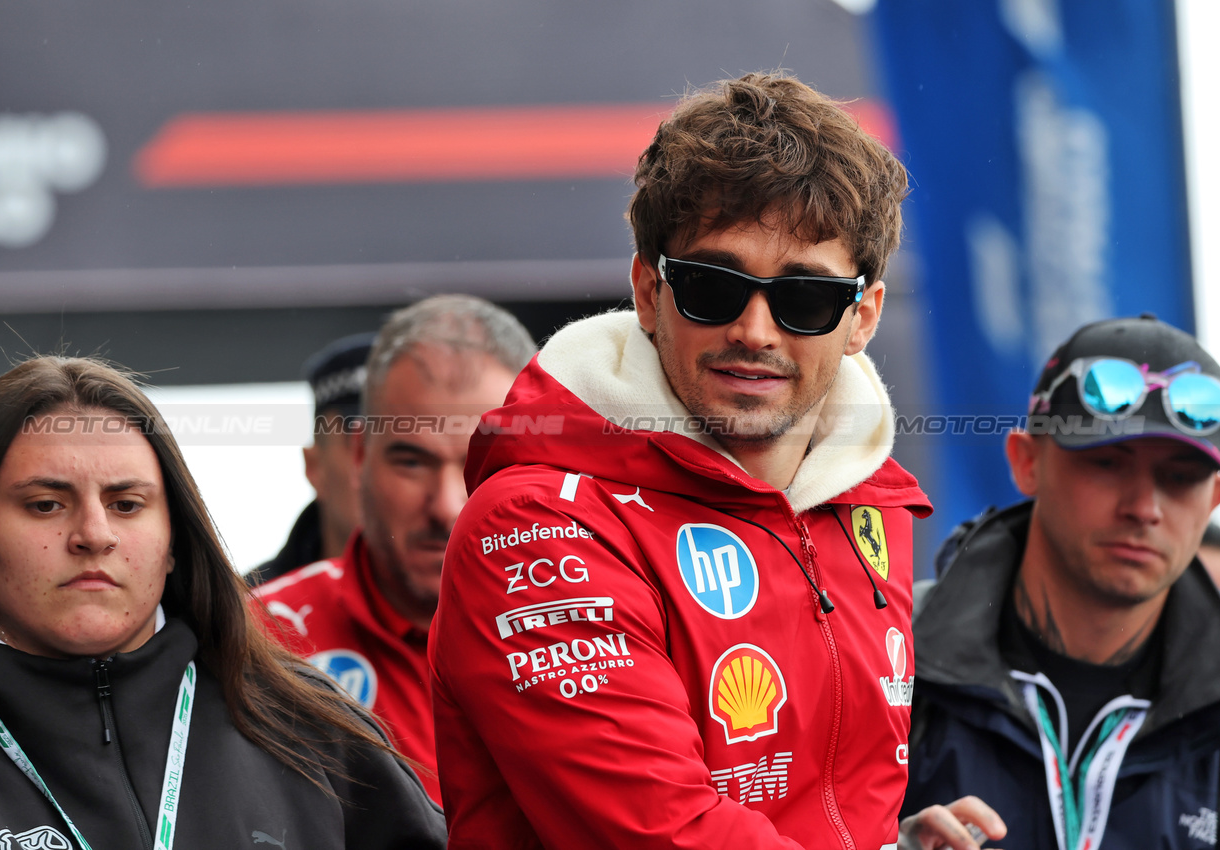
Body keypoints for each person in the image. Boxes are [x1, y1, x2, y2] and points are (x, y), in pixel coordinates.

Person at [428, 71, 987, 850]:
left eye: (804, 299)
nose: (755, 330)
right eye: (712, 287)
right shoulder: (535, 522)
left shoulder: (870, 508)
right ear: (648, 294)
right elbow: (666, 835)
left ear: (861, 318)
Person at [0, 356, 446, 849]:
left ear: (172, 544)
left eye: (126, 505)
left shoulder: (311, 729)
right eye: (45, 504)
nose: (94, 535)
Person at [903, 315, 1220, 850]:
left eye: (1180, 477)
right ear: (1026, 462)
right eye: (1107, 463)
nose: (1144, 508)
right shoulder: (887, 657)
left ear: (1213, 500)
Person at [255, 294, 537, 805]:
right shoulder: (255, 640)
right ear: (360, 456)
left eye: (484, 465)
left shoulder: (621, 619)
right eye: (412, 462)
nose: (447, 506)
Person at [249, 331, 376, 586]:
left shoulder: (467, 598)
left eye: (410, 457)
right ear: (315, 466)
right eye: (363, 445)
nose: (382, 471)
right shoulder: (243, 612)